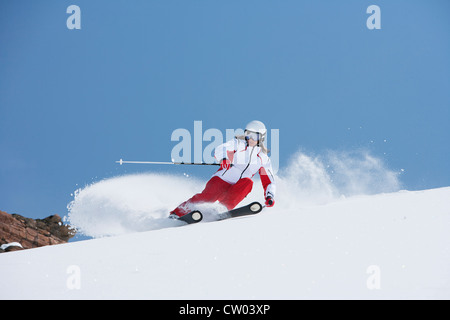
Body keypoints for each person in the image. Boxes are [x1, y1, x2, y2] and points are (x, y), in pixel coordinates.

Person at [169, 120, 276, 218]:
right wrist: (224, 158)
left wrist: (269, 196)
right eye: (248, 135)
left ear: (261, 138)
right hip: (222, 179)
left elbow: (269, 180)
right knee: (207, 197)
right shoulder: (238, 144)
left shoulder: (263, 158)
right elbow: (222, 148)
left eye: (255, 136)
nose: (251, 139)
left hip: (238, 186)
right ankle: (178, 213)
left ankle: (221, 209)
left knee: (248, 182)